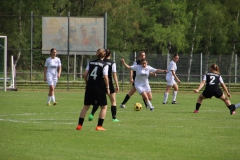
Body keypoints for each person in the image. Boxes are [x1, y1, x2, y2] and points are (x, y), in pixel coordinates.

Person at [76, 48, 110, 131]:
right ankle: (99, 126)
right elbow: (105, 77)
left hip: (90, 86)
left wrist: (87, 83)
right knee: (104, 107)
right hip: (99, 87)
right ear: (104, 55)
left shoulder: (90, 63)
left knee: (86, 106)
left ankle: (79, 125)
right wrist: (107, 87)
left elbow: (85, 74)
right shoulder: (105, 64)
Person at [88, 49, 120, 122]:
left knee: (99, 101)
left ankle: (92, 114)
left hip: (100, 84)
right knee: (113, 101)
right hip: (109, 83)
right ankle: (114, 118)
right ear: (110, 55)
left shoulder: (101, 62)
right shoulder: (112, 63)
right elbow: (114, 74)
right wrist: (117, 85)